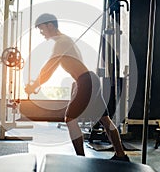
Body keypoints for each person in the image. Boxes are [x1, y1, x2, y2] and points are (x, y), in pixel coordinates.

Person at [24, 13, 129, 161]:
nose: (41, 33)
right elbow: (50, 70)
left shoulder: (61, 42)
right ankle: (121, 155)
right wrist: (38, 84)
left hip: (86, 81)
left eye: (42, 29)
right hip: (89, 80)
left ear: (50, 26)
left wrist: (34, 85)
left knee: (70, 118)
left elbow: (49, 67)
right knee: (104, 119)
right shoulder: (64, 41)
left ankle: (81, 159)